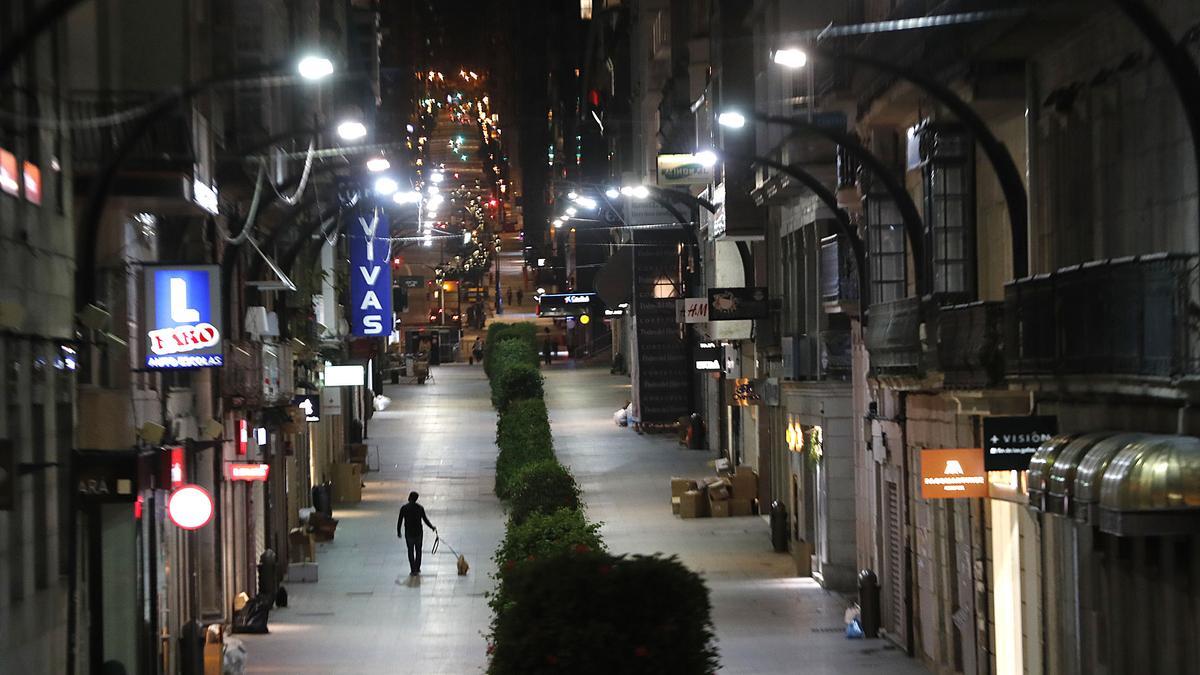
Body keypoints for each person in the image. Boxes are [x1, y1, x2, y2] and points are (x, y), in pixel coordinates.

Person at [396, 491, 436, 576]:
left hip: (409, 533)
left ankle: (413, 569)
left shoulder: (404, 508)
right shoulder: (420, 508)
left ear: (409, 497)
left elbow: (400, 520)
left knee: (410, 551)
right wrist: (432, 527)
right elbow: (425, 520)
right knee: (418, 551)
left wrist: (398, 531)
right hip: (418, 533)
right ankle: (417, 568)